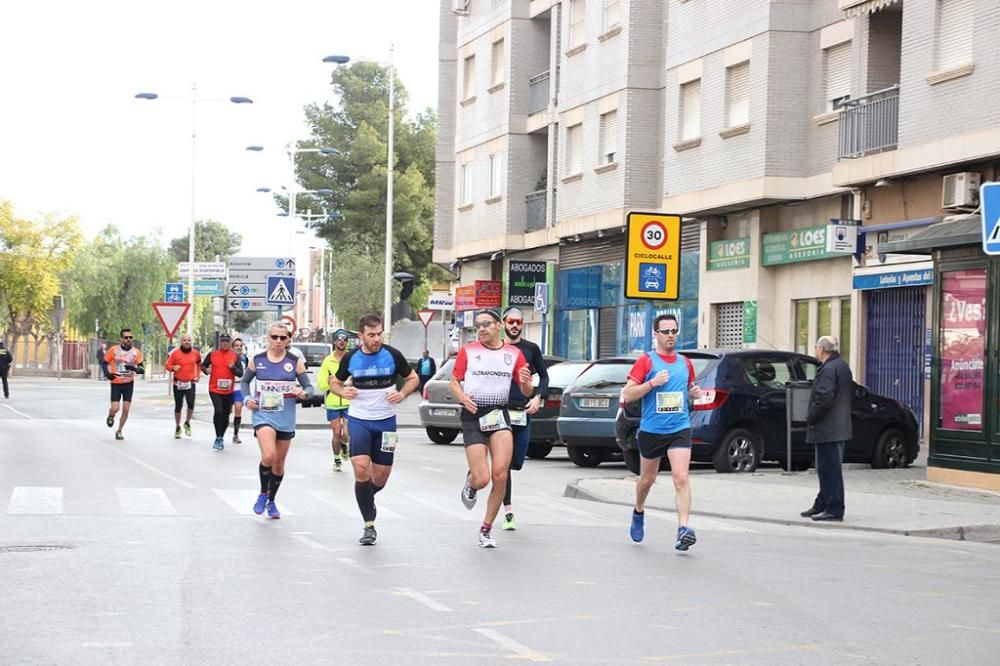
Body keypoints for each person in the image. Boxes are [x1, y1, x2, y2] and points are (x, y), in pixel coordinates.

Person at [328, 314, 419, 546]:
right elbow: (334, 383)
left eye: (379, 333)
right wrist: (342, 392)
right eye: (371, 335)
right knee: (361, 470)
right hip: (359, 420)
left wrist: (403, 393)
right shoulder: (351, 358)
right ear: (361, 337)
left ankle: (366, 498)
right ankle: (369, 524)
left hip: (386, 422)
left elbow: (413, 378)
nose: (377, 338)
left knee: (380, 477)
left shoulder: (392, 354)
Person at [450, 308, 534, 548]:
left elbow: (526, 390)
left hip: (499, 414)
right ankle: (471, 481)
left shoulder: (513, 354)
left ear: (500, 326)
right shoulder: (468, 351)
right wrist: (462, 398)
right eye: (478, 325)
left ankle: (486, 529)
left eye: (487, 324)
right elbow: (454, 382)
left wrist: (527, 385)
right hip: (474, 415)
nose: (482, 328)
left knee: (500, 474)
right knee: (483, 478)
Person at [621, 313, 702, 551]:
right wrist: (652, 383)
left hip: (679, 427)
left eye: (674, 331)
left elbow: (688, 394)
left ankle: (683, 530)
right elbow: (627, 393)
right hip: (652, 429)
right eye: (666, 332)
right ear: (655, 334)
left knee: (681, 477)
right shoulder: (647, 361)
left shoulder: (685, 362)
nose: (671, 336)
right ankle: (638, 510)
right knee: (647, 479)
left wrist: (692, 395)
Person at [241, 322, 314, 519]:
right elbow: (245, 382)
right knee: (269, 456)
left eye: (283, 337)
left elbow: (309, 388)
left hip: (286, 418)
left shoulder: (294, 361)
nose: (278, 341)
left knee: (279, 464)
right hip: (263, 415)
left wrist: (303, 393)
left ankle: (271, 500)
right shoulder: (257, 359)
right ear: (268, 338)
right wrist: (247, 399)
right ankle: (262, 493)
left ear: (289, 339)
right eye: (275, 337)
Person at [498, 306, 549, 531]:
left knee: (517, 461)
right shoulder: (494, 349)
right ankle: (508, 511)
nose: (515, 325)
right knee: (505, 465)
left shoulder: (531, 349)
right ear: (503, 323)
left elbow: (545, 376)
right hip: (498, 411)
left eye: (518, 321)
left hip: (522, 411)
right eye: (511, 321)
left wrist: (538, 397)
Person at [801, 335, 853, 522]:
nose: (815, 349)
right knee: (827, 469)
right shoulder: (841, 365)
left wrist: (811, 416)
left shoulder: (829, 369)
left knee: (829, 470)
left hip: (828, 428)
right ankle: (822, 503)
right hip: (837, 427)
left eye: (816, 346)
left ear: (822, 349)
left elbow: (824, 398)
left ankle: (834, 508)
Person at [201, 333, 244, 451]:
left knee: (226, 414)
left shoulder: (234, 356)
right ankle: (218, 437)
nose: (225, 343)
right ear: (220, 342)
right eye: (223, 341)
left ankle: (221, 436)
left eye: (227, 341)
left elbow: (241, 373)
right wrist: (206, 370)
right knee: (218, 411)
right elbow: (203, 366)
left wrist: (233, 368)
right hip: (214, 389)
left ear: (229, 343)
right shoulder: (212, 355)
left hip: (228, 390)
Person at [317, 331, 352, 472]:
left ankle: (344, 445)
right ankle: (337, 459)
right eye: (339, 339)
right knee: (336, 432)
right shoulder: (328, 361)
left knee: (346, 433)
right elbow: (322, 384)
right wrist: (330, 382)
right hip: (332, 401)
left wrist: (351, 383)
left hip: (349, 401)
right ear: (335, 342)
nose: (342, 342)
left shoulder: (352, 359)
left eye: (344, 340)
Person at [104, 328, 145, 441]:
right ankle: (111, 414)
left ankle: (119, 430)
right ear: (121, 338)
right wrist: (107, 374)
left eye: (130, 337)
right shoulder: (114, 350)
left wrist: (133, 368)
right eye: (126, 337)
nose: (128, 339)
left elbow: (142, 369)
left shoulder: (136, 352)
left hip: (128, 383)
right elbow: (104, 362)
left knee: (126, 409)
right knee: (115, 408)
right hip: (116, 383)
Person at [165, 334, 201, 438]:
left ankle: (187, 422)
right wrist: (173, 368)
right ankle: (177, 427)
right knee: (178, 406)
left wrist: (197, 376)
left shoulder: (195, 353)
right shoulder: (175, 353)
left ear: (191, 342)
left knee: (191, 405)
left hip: (190, 383)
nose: (187, 342)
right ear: (181, 342)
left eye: (188, 340)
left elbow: (199, 364)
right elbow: (167, 365)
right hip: (178, 383)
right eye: (184, 340)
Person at [231, 338, 249, 444]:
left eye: (240, 345)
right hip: (228, 386)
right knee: (226, 411)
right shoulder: (228, 357)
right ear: (232, 347)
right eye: (236, 345)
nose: (239, 347)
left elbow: (247, 372)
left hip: (239, 387)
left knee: (238, 408)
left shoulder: (244, 358)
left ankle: (235, 434)